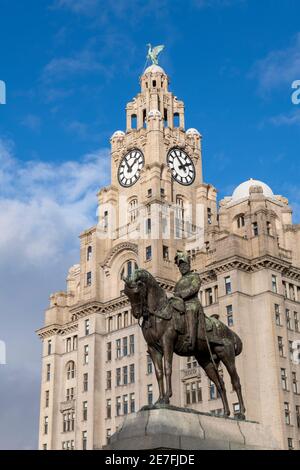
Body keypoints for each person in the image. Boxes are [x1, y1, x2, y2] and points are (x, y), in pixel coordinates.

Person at [173, 251, 205, 350]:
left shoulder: (194, 276)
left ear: (189, 265)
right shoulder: (178, 282)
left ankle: (191, 339)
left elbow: (194, 288)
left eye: (184, 265)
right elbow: (175, 294)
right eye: (180, 266)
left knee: (190, 311)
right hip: (181, 305)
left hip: (192, 303)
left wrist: (181, 294)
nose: (182, 267)